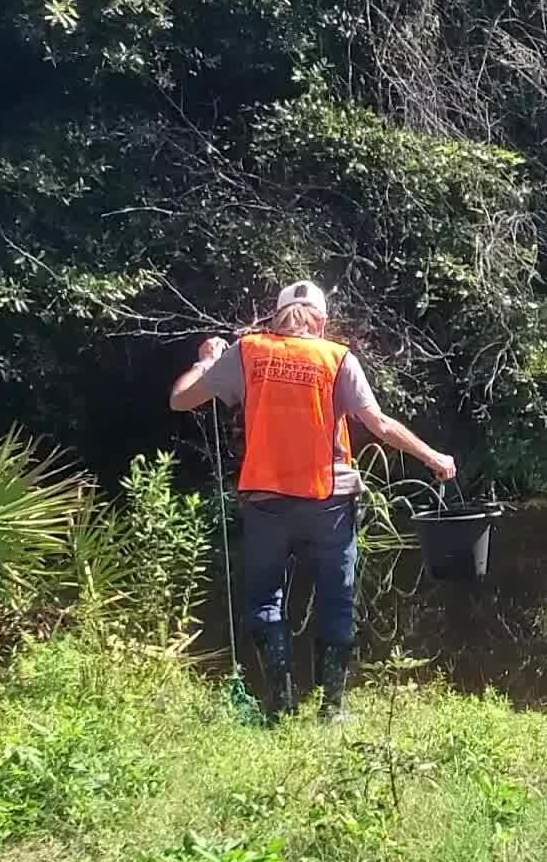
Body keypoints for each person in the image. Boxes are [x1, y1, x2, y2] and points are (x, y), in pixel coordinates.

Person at [168, 281, 456, 721]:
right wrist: (433, 456)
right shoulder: (336, 357)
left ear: (278, 316)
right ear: (321, 321)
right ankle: (332, 710)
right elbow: (378, 423)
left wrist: (205, 361)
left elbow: (181, 399)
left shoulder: (248, 351)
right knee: (336, 600)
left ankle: (280, 708)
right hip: (330, 500)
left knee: (265, 600)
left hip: (265, 499)